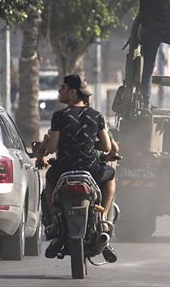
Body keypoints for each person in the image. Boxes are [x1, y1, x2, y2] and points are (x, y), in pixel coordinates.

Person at [35, 74, 117, 260]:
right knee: (110, 179)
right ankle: (104, 219)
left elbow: (52, 148)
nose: (59, 91)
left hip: (64, 169)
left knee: (48, 183)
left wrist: (46, 148)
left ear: (72, 92)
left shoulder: (59, 116)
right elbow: (107, 147)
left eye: (62, 88)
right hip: (91, 169)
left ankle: (54, 223)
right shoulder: (96, 115)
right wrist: (88, 144)